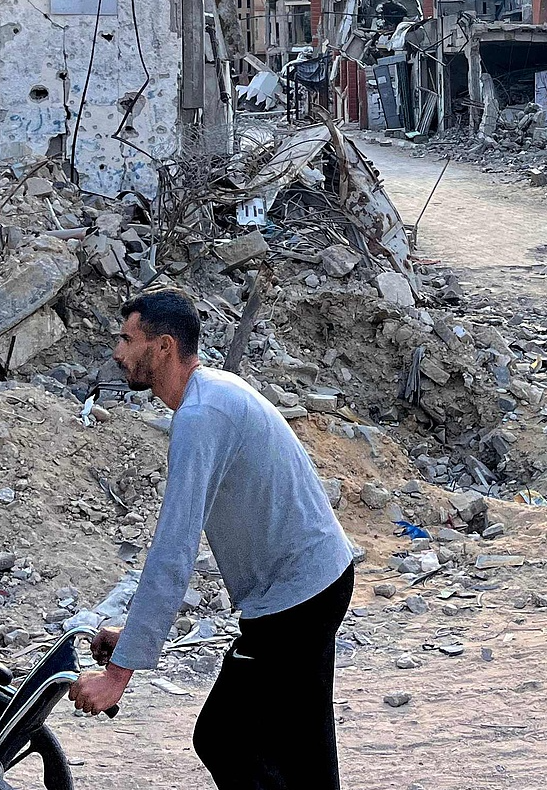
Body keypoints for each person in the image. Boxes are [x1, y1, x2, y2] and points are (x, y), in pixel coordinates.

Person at [70, 289, 356, 788]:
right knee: (302, 751)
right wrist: (133, 639)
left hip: (297, 596)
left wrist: (118, 674)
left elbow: (174, 550)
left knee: (224, 736)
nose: (117, 352)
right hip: (316, 580)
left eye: (126, 339)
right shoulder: (210, 396)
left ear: (162, 347)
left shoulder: (202, 417)